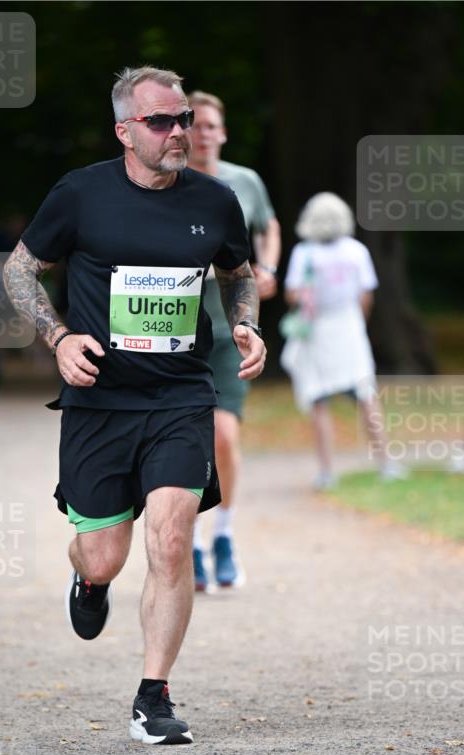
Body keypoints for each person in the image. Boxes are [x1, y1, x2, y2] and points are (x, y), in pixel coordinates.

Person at [3, 66, 266, 746]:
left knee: (172, 540)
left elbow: (239, 274)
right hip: (100, 399)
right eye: (160, 121)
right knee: (104, 555)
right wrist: (59, 338)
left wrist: (247, 323)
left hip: (181, 393)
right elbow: (18, 268)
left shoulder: (214, 200)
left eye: (182, 119)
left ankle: (154, 696)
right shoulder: (81, 194)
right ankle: (88, 584)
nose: (177, 131)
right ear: (125, 130)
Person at [187, 91, 281, 590]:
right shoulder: (171, 181)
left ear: (222, 132)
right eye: (194, 125)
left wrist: (267, 268)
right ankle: (194, 544)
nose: (203, 133)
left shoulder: (245, 181)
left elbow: (269, 228)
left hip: (231, 327)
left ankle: (223, 534)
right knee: (189, 439)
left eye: (211, 126)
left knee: (223, 434)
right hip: (180, 329)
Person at [282, 192, 403, 488]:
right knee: (366, 395)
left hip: (318, 330)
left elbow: (291, 294)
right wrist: (358, 322)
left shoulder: (304, 253)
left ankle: (327, 471)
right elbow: (366, 295)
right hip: (349, 327)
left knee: (318, 399)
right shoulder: (356, 251)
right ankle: (386, 463)